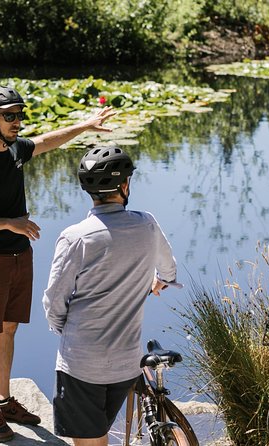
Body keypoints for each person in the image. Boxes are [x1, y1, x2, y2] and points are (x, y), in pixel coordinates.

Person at [0, 85, 116, 442]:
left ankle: (5, 397)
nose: (17, 122)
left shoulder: (15, 151)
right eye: (9, 116)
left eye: (19, 115)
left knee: (9, 328)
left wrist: (86, 125)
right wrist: (9, 223)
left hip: (18, 256)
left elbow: (46, 141)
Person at [42, 146, 182, 446]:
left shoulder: (75, 237)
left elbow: (54, 303)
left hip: (81, 364)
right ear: (124, 185)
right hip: (126, 365)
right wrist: (157, 282)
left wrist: (64, 331)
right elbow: (169, 271)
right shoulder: (147, 224)